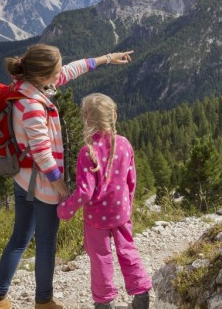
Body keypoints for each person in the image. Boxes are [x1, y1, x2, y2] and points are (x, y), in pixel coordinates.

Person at [0, 45, 134, 309]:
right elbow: (44, 157)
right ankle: (43, 301)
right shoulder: (32, 105)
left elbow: (72, 69)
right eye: (56, 73)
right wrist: (63, 191)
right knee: (45, 244)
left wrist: (108, 58)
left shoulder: (27, 86)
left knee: (19, 239)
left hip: (23, 178)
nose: (60, 76)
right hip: (42, 185)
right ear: (44, 76)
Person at [57, 93, 151, 309]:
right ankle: (142, 294)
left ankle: (104, 301)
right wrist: (128, 206)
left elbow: (84, 192)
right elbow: (131, 180)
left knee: (100, 259)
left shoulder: (87, 152)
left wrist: (65, 211)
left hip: (96, 218)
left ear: (86, 119)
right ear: (114, 116)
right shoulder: (125, 144)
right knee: (128, 251)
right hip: (121, 214)